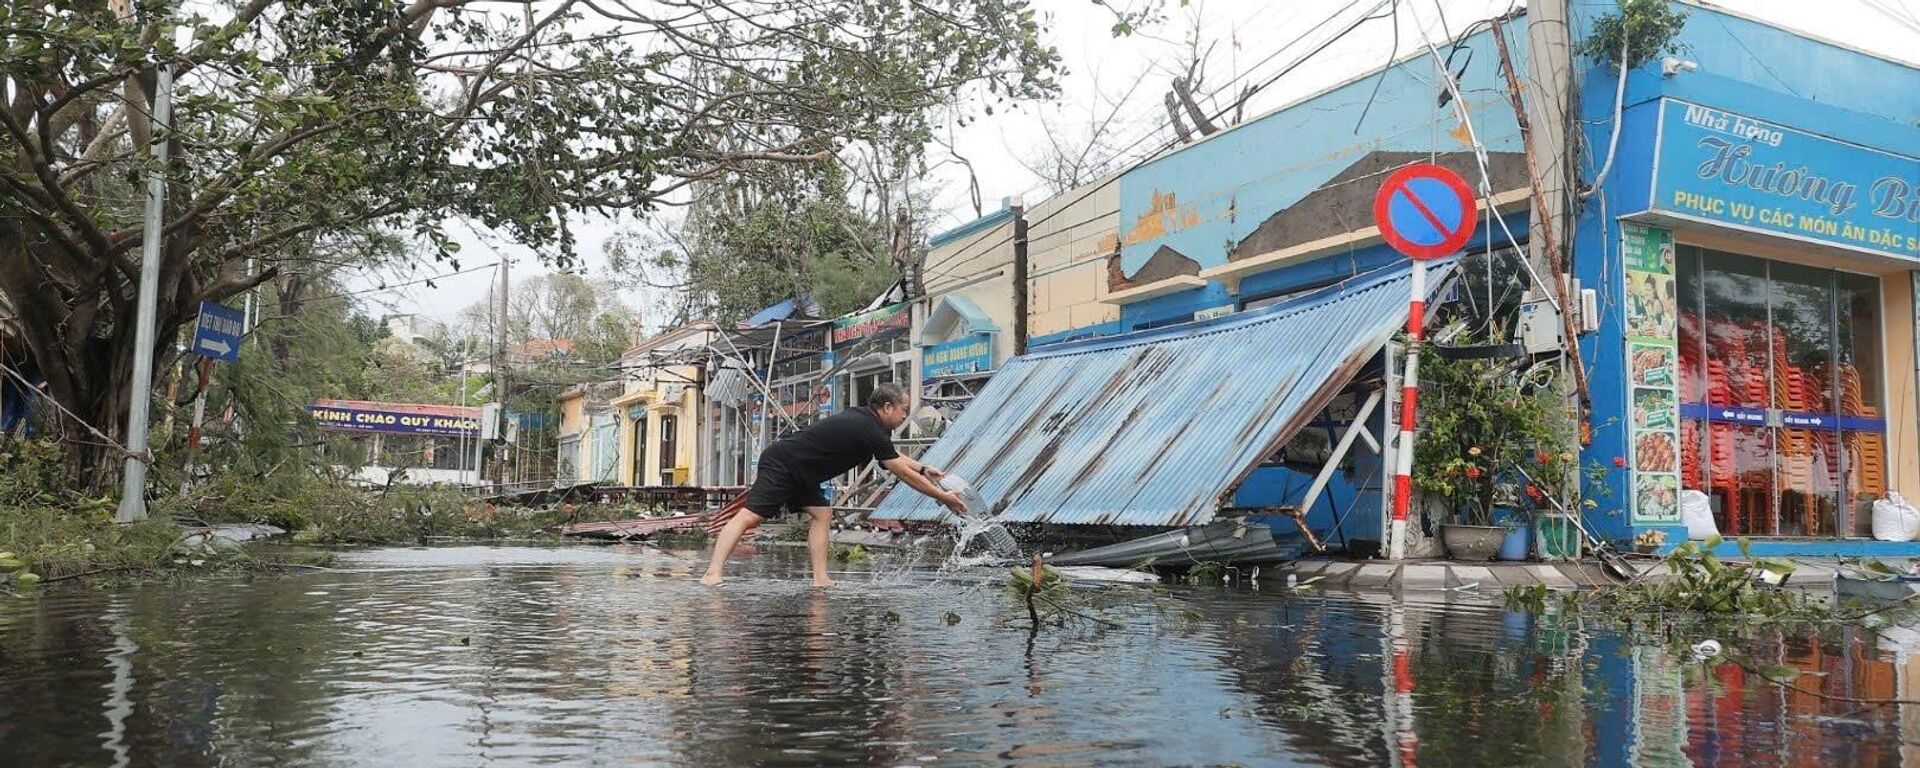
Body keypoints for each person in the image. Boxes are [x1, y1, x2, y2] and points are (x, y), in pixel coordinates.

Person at [701, 383, 967, 587]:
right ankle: (712, 573)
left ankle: (820, 578)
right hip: (784, 463)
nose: (903, 416)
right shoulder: (869, 427)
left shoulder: (870, 425)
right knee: (750, 517)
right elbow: (901, 472)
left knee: (822, 514)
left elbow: (893, 457)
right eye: (902, 410)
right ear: (887, 407)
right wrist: (943, 498)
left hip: (803, 470)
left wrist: (922, 467)